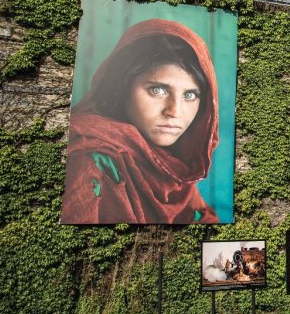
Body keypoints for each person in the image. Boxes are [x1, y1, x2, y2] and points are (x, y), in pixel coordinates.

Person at [61, 19, 220, 224]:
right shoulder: (89, 158)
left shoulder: (174, 168)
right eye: (157, 90)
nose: (174, 111)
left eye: (190, 95)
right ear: (122, 88)